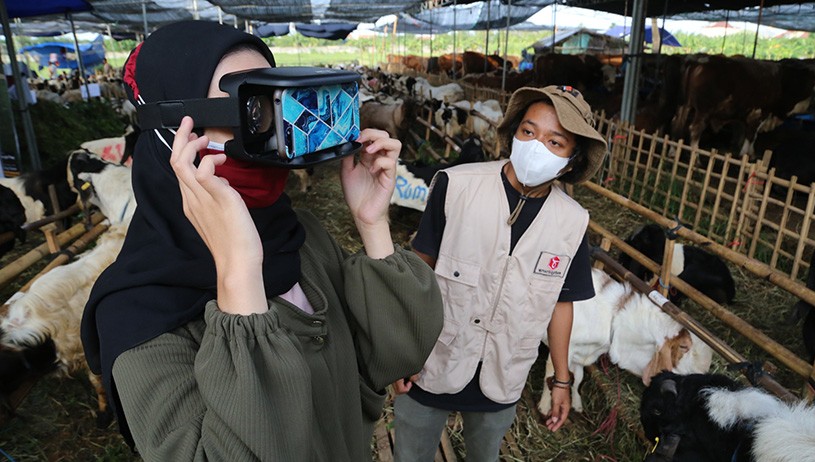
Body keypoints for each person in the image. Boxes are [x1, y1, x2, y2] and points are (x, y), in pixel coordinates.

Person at [80, 20, 443, 461]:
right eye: (246, 111)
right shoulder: (137, 313)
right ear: (168, 135)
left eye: (271, 107)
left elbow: (395, 354)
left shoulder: (300, 237)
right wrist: (237, 274)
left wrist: (373, 224)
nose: (268, 135)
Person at [391, 85, 607, 461]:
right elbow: (419, 270)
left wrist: (561, 379)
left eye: (555, 142)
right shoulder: (456, 185)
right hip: (433, 357)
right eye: (528, 132)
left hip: (503, 370)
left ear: (571, 161)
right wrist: (401, 349)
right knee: (411, 454)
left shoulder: (571, 222)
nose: (536, 146)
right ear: (513, 133)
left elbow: (561, 303)